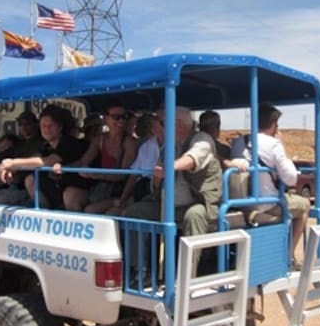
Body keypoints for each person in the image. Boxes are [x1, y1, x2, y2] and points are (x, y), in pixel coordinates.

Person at [125, 106, 221, 237]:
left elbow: (194, 157)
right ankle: (136, 257)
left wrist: (170, 167)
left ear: (178, 124)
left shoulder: (202, 139)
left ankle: (192, 258)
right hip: (167, 205)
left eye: (163, 123)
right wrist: (157, 180)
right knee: (135, 212)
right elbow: (157, 180)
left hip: (198, 203)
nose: (162, 128)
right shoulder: (169, 147)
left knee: (194, 215)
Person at [243, 103, 310, 269]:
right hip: (267, 203)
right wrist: (282, 146)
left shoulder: (241, 141)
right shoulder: (273, 144)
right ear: (273, 125)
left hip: (244, 202)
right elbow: (291, 178)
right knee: (305, 205)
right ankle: (289, 254)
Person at [0, 105, 91, 209]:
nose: (46, 129)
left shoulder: (68, 142)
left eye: (50, 126)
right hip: (60, 188)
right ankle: (43, 213)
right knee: (30, 179)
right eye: (43, 126)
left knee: (70, 194)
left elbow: (47, 161)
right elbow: (35, 158)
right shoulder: (46, 145)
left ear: (60, 127)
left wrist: (13, 162)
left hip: (84, 189)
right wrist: (12, 168)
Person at [82, 98, 138, 214]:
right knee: (73, 197)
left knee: (90, 210)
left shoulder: (129, 142)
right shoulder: (99, 139)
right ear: (106, 118)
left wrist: (96, 175)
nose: (121, 120)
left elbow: (123, 175)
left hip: (123, 190)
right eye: (116, 117)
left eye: (124, 116)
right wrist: (62, 167)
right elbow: (84, 161)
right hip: (103, 188)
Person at [107, 112, 161, 215]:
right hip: (142, 192)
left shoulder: (177, 145)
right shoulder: (145, 146)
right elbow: (133, 176)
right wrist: (123, 199)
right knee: (111, 212)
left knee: (126, 212)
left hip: (159, 194)